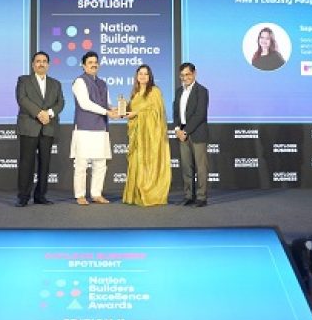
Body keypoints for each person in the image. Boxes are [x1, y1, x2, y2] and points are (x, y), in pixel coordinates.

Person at [15, 51, 65, 207]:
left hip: (48, 127)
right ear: (33, 65)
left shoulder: (56, 84)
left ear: (48, 65)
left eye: (44, 61)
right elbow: (22, 99)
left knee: (45, 163)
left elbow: (60, 103)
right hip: (29, 126)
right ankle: (23, 197)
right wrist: (39, 113)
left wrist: (48, 114)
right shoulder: (23, 80)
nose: (41, 63)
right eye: (38, 61)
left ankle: (40, 195)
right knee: (26, 163)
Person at [70, 51, 119, 205]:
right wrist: (107, 112)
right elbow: (85, 103)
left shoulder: (103, 83)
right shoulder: (79, 81)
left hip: (101, 127)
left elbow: (107, 104)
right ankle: (80, 195)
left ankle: (96, 194)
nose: (93, 65)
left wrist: (116, 110)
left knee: (100, 163)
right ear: (83, 65)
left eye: (95, 62)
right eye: (90, 62)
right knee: (81, 164)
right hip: (84, 128)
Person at [122, 65, 170, 206]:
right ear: (136, 76)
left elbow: (157, 113)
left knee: (149, 162)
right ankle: (136, 194)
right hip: (137, 136)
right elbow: (130, 111)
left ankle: (151, 194)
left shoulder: (155, 92)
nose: (142, 76)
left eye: (145, 74)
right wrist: (121, 109)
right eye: (140, 74)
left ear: (150, 77)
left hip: (151, 137)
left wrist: (137, 113)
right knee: (137, 162)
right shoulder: (135, 94)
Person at [173, 62, 209, 207]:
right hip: (182, 134)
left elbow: (200, 114)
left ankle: (201, 197)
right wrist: (177, 129)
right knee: (187, 167)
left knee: (201, 168)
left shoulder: (202, 91)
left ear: (194, 74)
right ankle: (189, 196)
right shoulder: (178, 91)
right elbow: (176, 112)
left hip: (197, 134)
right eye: (182, 75)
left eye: (187, 74)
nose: (185, 78)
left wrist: (186, 131)